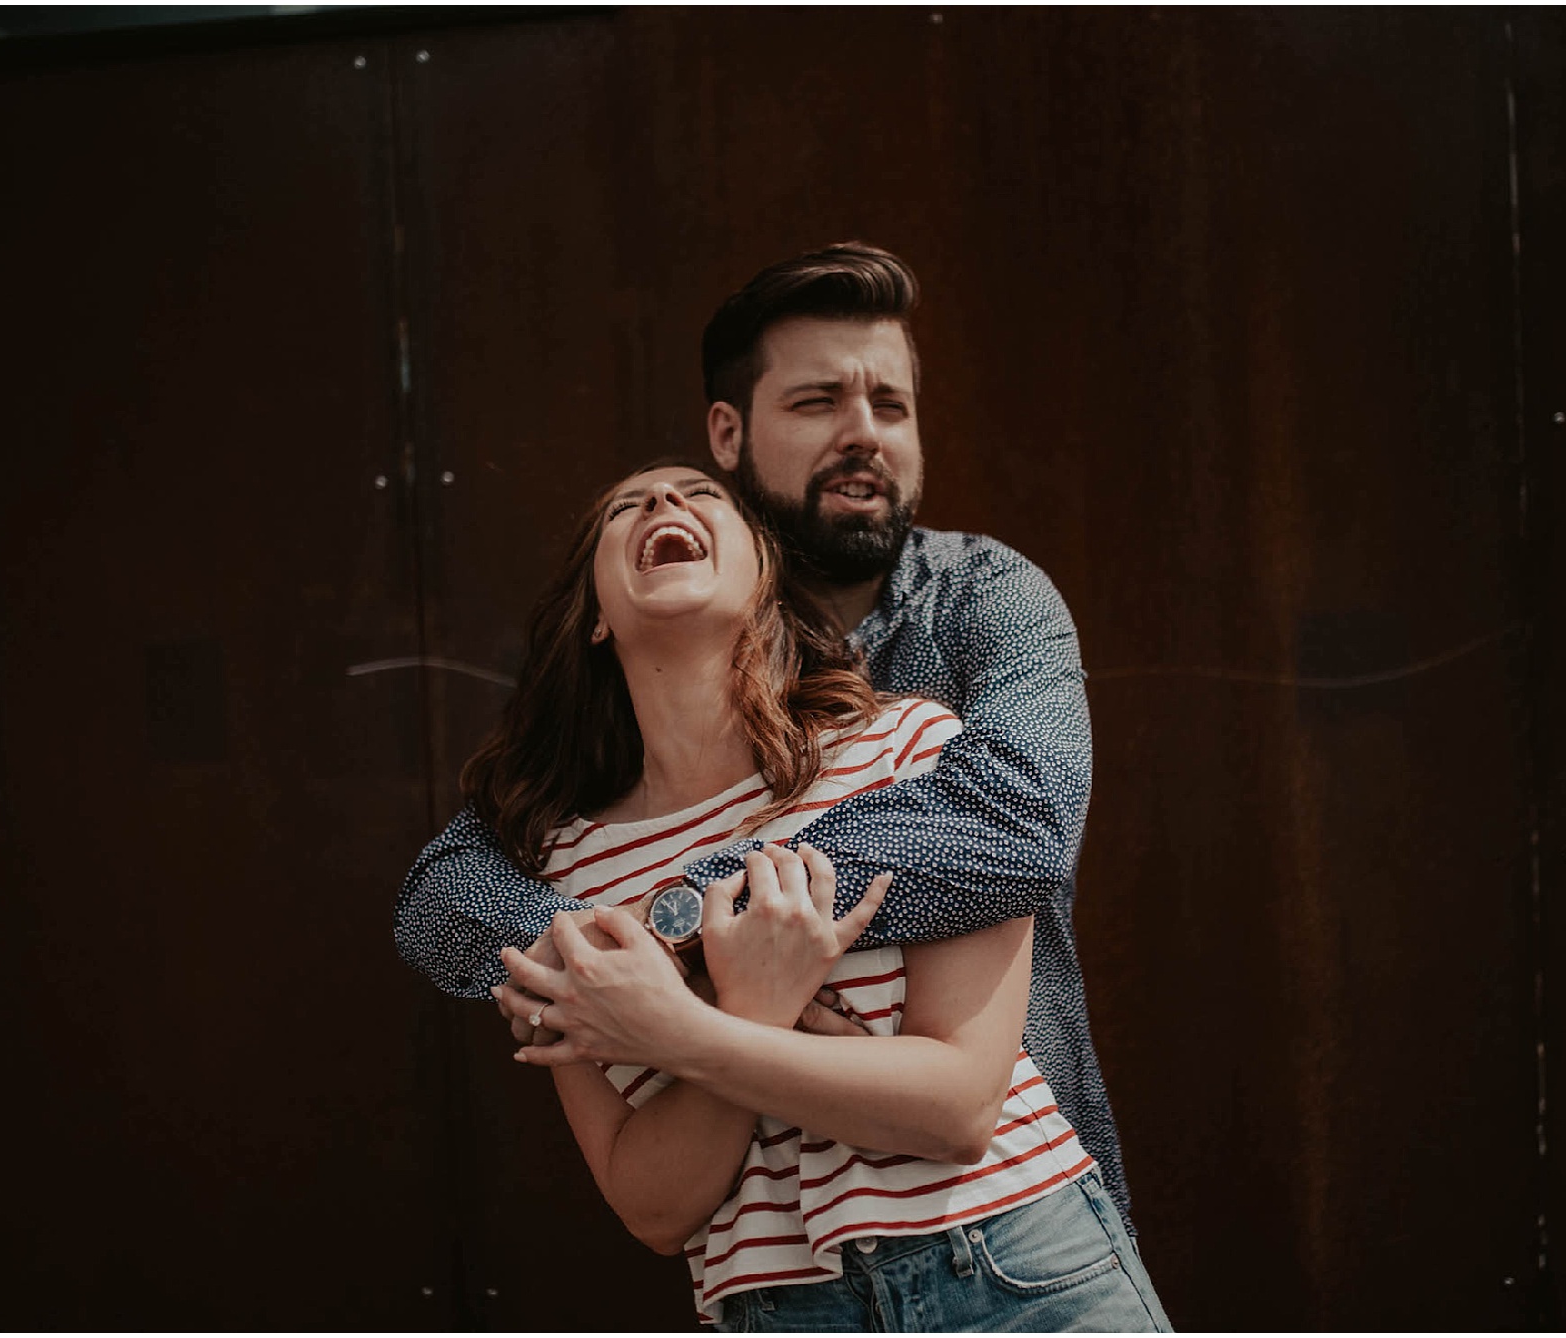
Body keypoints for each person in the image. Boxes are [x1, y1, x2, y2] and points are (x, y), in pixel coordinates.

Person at [395, 243, 1134, 1237]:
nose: (864, 434)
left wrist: (668, 945)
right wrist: (572, 961)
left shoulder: (981, 600)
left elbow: (1014, 828)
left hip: (1010, 1209)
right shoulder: (648, 663)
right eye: (818, 402)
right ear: (727, 435)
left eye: (892, 406)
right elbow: (448, 887)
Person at [477, 461, 1169, 1330]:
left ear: (766, 580)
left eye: (703, 496)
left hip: (1016, 1265)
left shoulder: (911, 752)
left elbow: (957, 1106)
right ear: (593, 623)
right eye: (626, 505)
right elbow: (654, 1209)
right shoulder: (562, 880)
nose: (663, 503)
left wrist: (683, 1030)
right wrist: (759, 1007)